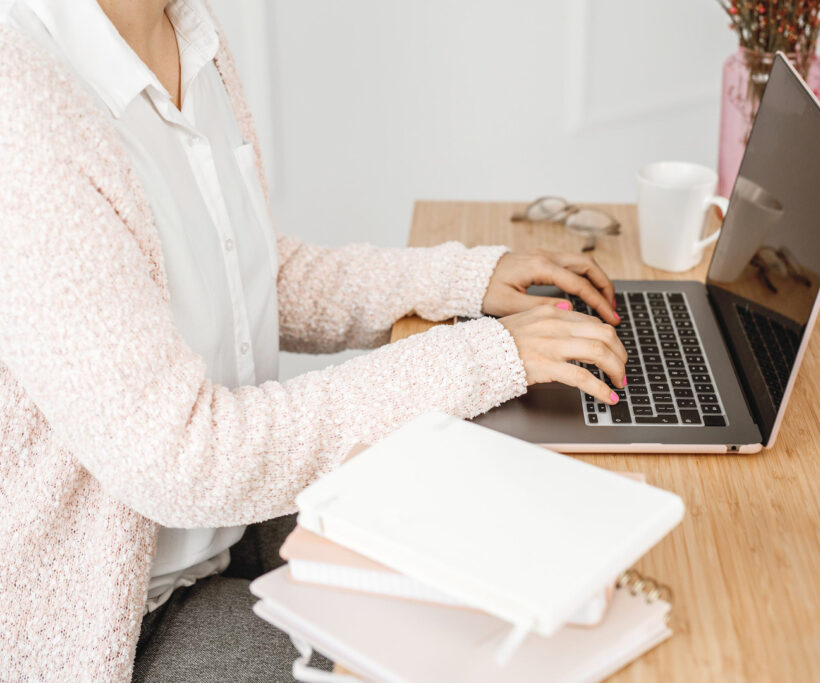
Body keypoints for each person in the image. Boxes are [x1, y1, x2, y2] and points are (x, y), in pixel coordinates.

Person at [0, 0, 629, 680]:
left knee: (520, 580)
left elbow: (250, 276)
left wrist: (458, 279)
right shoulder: (24, 111)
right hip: (122, 618)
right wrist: (486, 355)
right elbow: (183, 456)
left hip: (236, 525)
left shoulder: (189, 32)